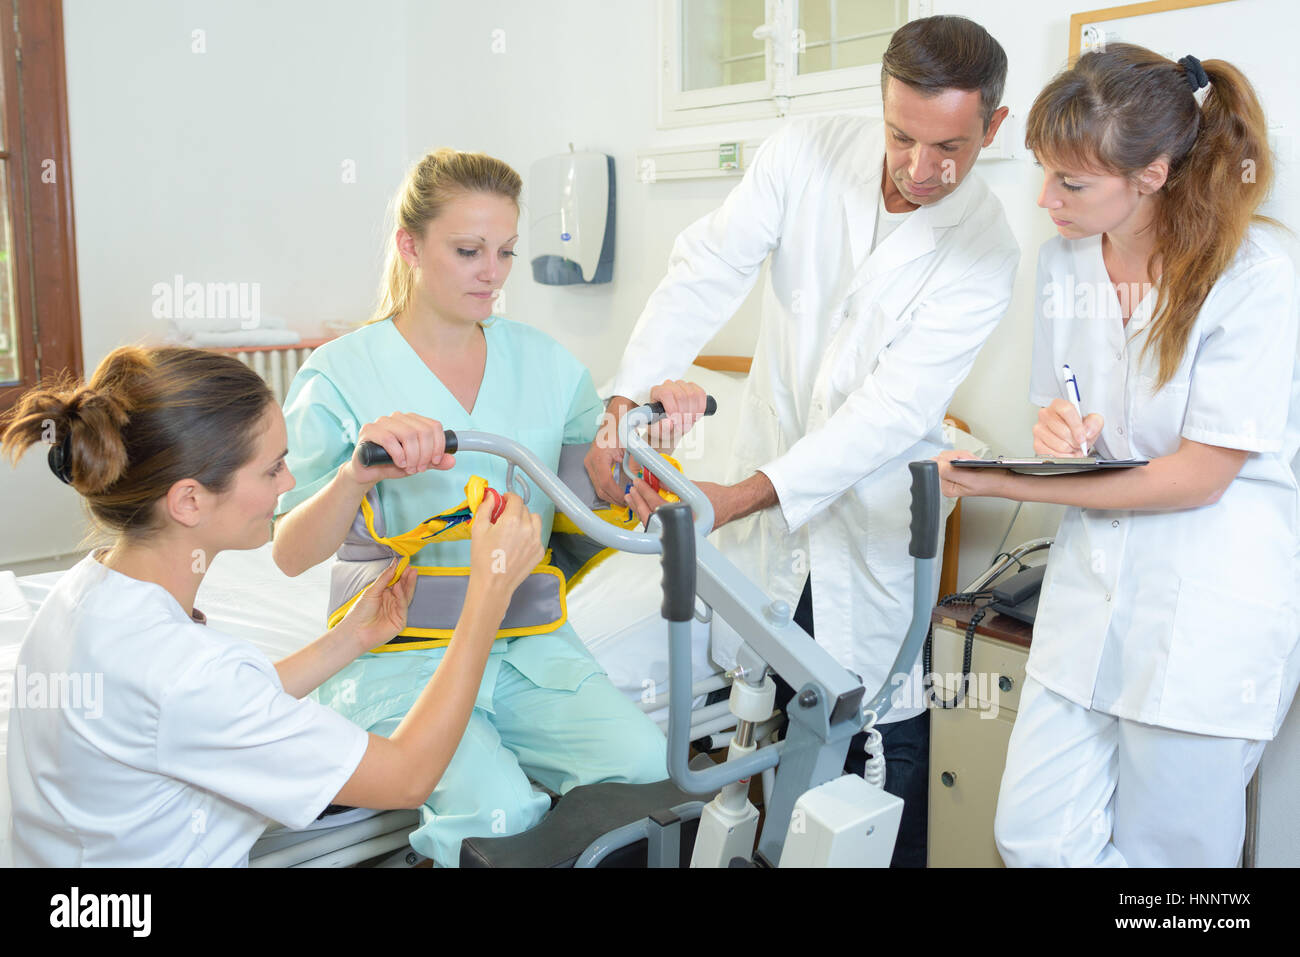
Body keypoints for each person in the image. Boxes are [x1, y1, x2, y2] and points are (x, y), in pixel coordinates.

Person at [584, 15, 1020, 867]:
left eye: (951, 148)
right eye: (903, 136)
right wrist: (624, 400)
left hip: (866, 531)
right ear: (881, 105)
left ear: (993, 128)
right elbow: (707, 266)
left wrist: (739, 492)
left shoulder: (986, 249)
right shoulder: (805, 153)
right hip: (768, 542)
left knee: (873, 759)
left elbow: (888, 414)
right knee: (766, 734)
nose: (922, 169)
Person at [936, 45, 1300, 867]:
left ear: (1154, 173)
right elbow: (1059, 410)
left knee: (1172, 861)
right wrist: (1058, 436)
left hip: (1205, 616)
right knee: (1031, 835)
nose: (1044, 199)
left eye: (1072, 183)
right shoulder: (1063, 261)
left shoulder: (1252, 275)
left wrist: (998, 478)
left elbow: (1203, 473)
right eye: (1044, 173)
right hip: (1088, 606)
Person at [271, 148, 669, 868]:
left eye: (506, 251)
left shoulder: (547, 364)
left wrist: (643, 450)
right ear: (410, 245)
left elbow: (597, 488)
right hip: (402, 657)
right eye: (468, 250)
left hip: (527, 646)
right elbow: (289, 551)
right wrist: (356, 476)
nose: (493, 272)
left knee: (644, 765)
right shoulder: (340, 373)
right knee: (500, 809)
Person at [0, 346, 542, 866]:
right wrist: (486, 599)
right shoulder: (187, 673)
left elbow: (202, 711)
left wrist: (348, 639)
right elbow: (407, 777)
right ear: (189, 500)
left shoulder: (84, 590)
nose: (289, 482)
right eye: (272, 469)